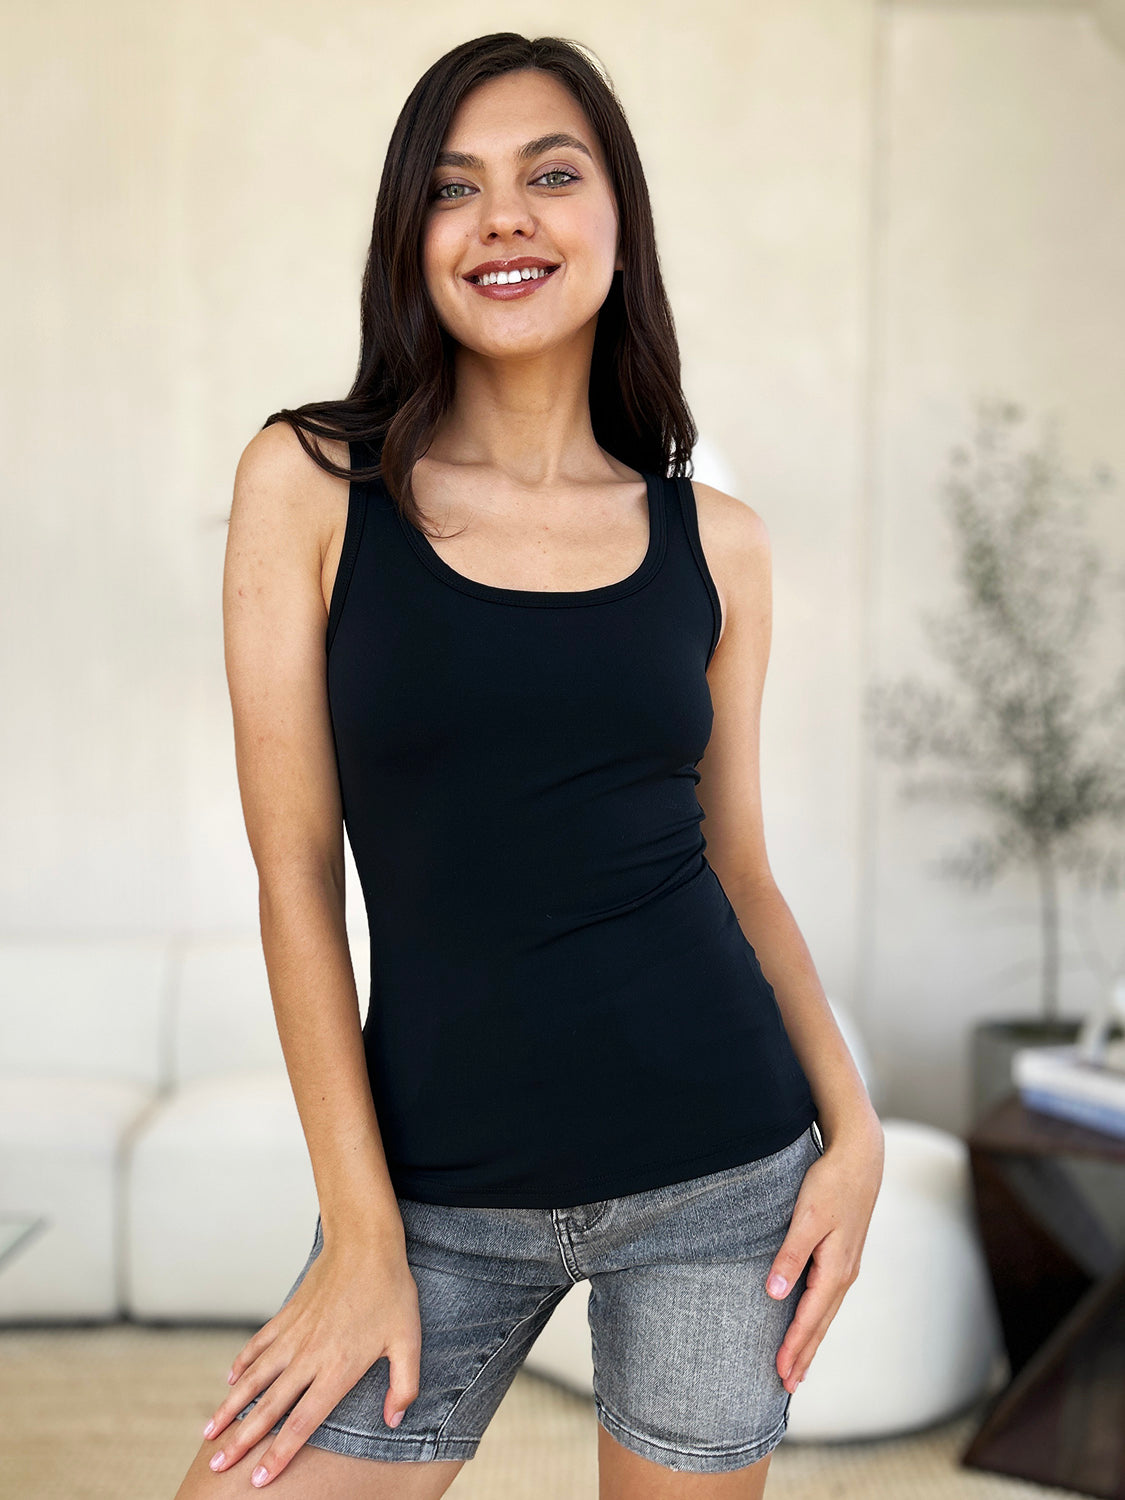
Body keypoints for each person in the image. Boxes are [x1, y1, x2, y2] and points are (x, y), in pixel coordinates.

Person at [174, 32, 884, 1500]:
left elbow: (736, 865)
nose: (504, 216)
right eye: (454, 187)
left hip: (719, 1176)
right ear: (410, 241)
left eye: (549, 176)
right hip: (426, 1197)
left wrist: (854, 1126)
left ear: (615, 228)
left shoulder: (719, 543)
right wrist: (361, 1236)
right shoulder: (308, 485)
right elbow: (294, 872)